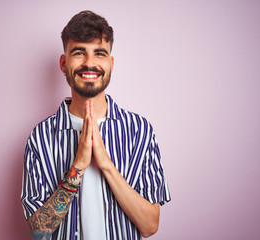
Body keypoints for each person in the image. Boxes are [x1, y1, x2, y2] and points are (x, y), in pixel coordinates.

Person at [21, 10, 171, 240]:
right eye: (79, 53)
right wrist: (78, 167)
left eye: (99, 53)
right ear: (63, 63)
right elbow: (39, 231)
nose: (89, 63)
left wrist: (107, 166)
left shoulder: (140, 131)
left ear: (110, 64)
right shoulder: (40, 137)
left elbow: (150, 225)